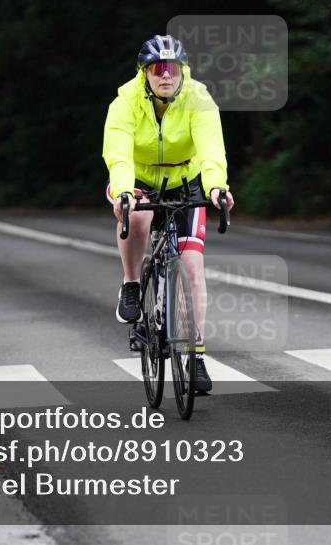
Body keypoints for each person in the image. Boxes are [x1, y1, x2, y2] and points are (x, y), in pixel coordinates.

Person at [103, 34, 235, 393]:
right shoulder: (125, 101)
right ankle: (131, 284)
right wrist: (124, 191)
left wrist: (216, 188)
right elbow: (117, 153)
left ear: (183, 71)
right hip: (139, 179)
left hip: (185, 181)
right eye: (158, 69)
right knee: (139, 215)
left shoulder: (199, 98)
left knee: (192, 268)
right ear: (144, 73)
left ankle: (195, 357)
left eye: (173, 68)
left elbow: (211, 150)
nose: (166, 76)